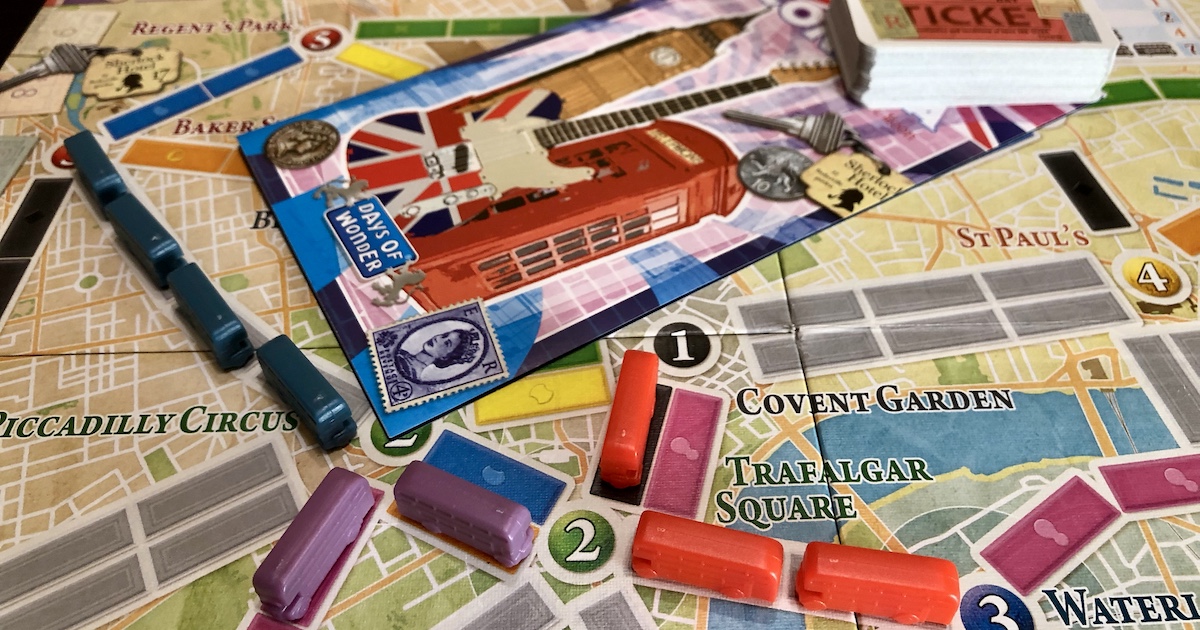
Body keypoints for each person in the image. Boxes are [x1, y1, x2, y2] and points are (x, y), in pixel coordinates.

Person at [395, 327, 482, 382]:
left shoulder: (412, 374)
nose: (438, 339)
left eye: (447, 343)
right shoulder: (401, 352)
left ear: (445, 357)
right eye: (444, 335)